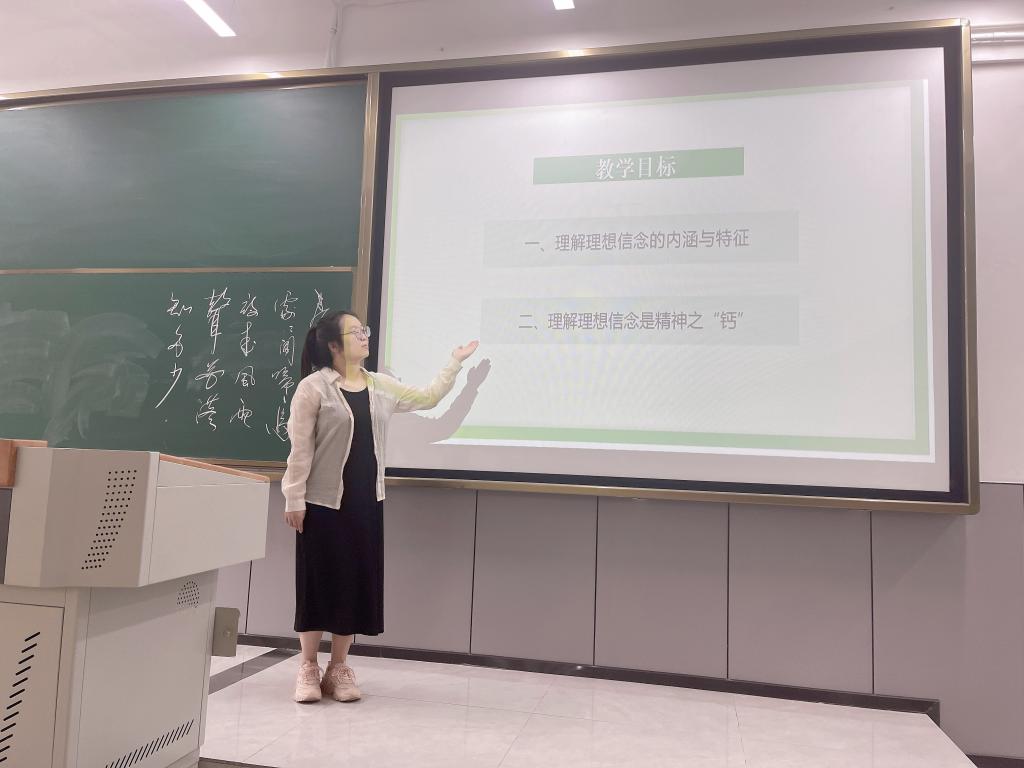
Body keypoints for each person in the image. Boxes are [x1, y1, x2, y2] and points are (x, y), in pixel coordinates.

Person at [281, 309, 478, 703]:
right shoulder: (313, 388)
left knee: (353, 583)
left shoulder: (380, 386)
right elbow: (300, 448)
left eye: (364, 330)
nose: (365, 336)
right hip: (321, 503)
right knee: (318, 582)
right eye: (356, 332)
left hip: (365, 502)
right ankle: (308, 667)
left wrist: (454, 363)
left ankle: (338, 668)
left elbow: (428, 397)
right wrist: (294, 497)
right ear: (334, 345)